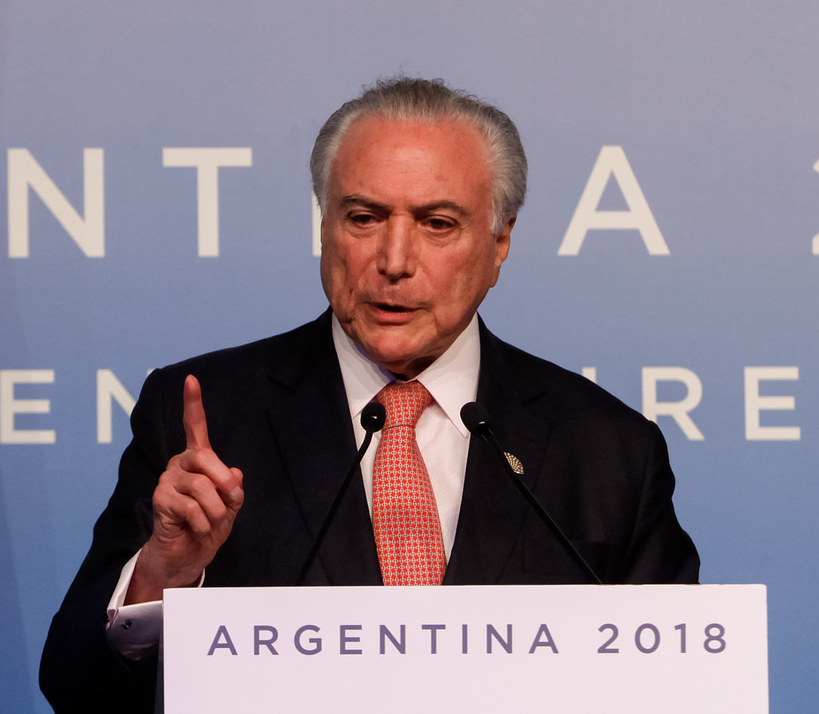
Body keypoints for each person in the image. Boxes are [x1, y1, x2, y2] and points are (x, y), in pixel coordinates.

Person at [40, 78, 698, 712]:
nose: (394, 258)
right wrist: (164, 575)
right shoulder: (208, 419)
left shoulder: (609, 450)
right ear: (325, 228)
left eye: (438, 223)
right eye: (364, 216)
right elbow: (75, 687)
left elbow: (682, 689)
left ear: (500, 242)